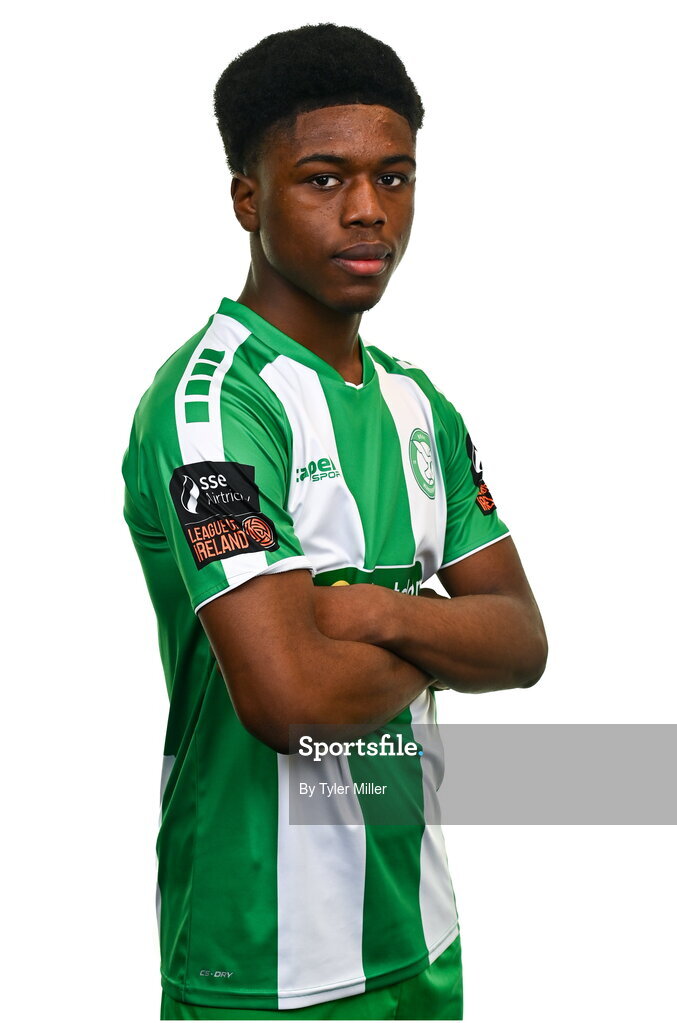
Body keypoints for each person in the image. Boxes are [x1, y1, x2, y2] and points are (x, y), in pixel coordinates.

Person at [122, 22, 548, 1021]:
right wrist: (445, 630)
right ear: (246, 198)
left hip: (419, 938)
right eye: (322, 178)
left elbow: (522, 640)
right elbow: (290, 702)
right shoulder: (213, 406)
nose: (367, 211)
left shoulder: (418, 404)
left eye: (393, 178)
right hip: (262, 964)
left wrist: (372, 612)